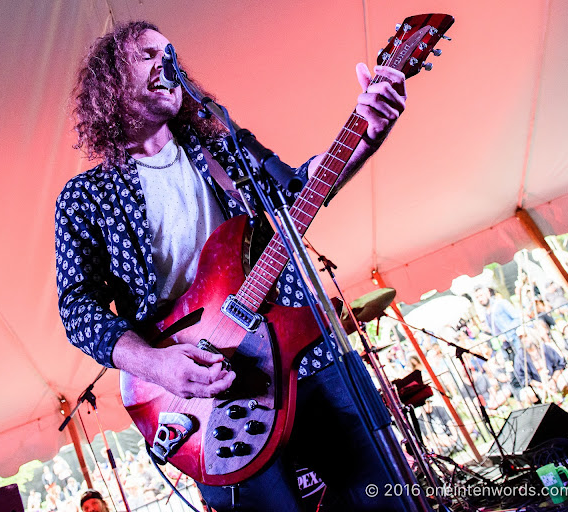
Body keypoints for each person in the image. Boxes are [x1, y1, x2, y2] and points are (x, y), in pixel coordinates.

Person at [56, 21, 406, 511]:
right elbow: (78, 307)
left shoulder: (222, 149)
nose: (167, 61)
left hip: (303, 356)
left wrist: (364, 138)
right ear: (111, 84)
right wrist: (156, 364)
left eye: (170, 52)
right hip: (204, 398)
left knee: (384, 496)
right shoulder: (85, 198)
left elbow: (297, 190)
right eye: (147, 54)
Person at [473, 285, 521, 356]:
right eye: (477, 297)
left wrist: (506, 334)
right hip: (505, 347)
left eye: (481, 295)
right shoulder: (485, 313)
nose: (480, 299)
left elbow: (518, 319)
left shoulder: (501, 303)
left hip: (515, 341)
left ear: (488, 293)